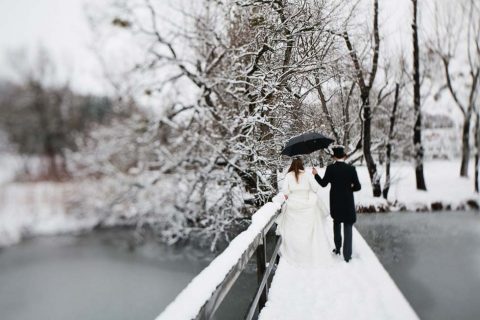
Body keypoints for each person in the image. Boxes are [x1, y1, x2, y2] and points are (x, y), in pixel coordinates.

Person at [276, 157, 332, 267]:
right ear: (302, 165)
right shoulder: (307, 175)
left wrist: (291, 194)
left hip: (293, 206)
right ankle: (309, 253)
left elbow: (285, 191)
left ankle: (295, 253)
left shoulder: (288, 176)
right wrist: (314, 174)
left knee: (294, 231)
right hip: (308, 206)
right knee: (308, 231)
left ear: (292, 165)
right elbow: (315, 189)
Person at [312, 145, 361, 263]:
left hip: (335, 202)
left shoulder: (330, 169)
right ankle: (347, 255)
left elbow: (323, 184)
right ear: (344, 156)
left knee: (337, 225)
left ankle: (338, 248)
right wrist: (350, 188)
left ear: (334, 157)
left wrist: (315, 175)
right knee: (348, 227)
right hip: (348, 203)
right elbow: (358, 187)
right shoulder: (351, 169)